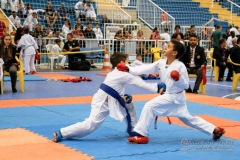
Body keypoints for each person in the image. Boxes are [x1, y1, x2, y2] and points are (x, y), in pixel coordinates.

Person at [116, 39, 226, 144]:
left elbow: (186, 85)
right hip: (171, 97)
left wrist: (178, 78)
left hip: (175, 96)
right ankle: (215, 130)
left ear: (174, 52)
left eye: (168, 47)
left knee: (149, 106)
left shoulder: (180, 66)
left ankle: (142, 135)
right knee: (187, 119)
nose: (165, 48)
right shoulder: (161, 63)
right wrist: (128, 69)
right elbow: (145, 68)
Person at [53, 53, 164, 142]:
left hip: (113, 99)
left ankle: (134, 129)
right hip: (103, 101)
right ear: (121, 63)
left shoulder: (118, 71)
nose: (128, 64)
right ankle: (62, 132)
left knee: (129, 103)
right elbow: (140, 83)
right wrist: (157, 88)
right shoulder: (123, 74)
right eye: (126, 62)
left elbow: (137, 71)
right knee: (91, 125)